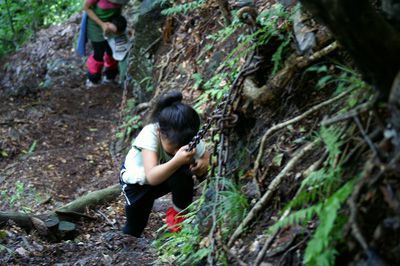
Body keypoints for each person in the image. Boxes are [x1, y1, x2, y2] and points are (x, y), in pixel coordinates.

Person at [119, 90, 210, 237]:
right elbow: (152, 176)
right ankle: (127, 244)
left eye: (182, 146)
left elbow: (205, 155)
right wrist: (177, 160)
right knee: (134, 227)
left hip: (166, 177)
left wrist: (203, 163)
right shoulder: (150, 134)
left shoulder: (186, 136)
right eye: (173, 147)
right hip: (138, 184)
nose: (177, 151)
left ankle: (178, 219)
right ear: (160, 132)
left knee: (183, 174)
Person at [83, 0, 129, 87]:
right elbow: (86, 7)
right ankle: (93, 79)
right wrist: (102, 24)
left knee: (112, 51)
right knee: (99, 53)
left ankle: (110, 76)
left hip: (113, 25)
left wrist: (117, 25)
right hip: (95, 25)